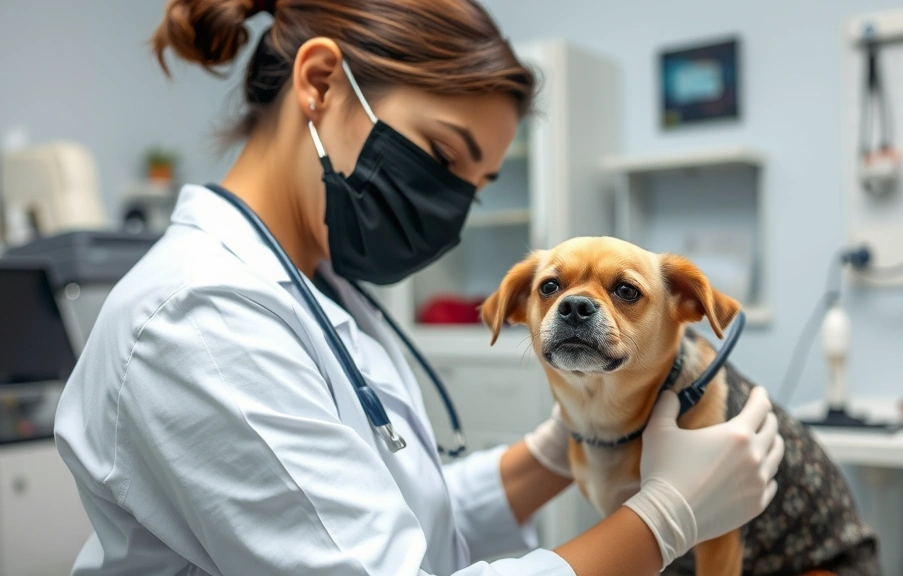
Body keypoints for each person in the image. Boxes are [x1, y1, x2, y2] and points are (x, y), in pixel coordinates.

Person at [53, 1, 785, 574]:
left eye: (478, 184)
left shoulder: (328, 289)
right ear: (319, 85)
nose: (454, 211)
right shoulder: (202, 320)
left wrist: (564, 445)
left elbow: (407, 520)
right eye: (443, 154)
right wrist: (665, 519)